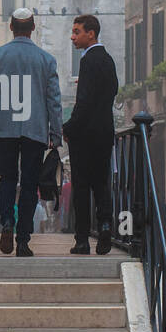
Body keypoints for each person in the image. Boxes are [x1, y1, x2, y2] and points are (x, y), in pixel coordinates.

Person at [0, 8, 62, 257]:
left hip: (5, 127)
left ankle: (7, 221)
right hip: (35, 129)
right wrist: (56, 133)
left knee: (7, 178)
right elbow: (54, 100)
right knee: (29, 184)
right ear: (33, 28)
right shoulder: (46, 60)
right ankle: (24, 239)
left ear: (11, 27)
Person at [63, 14, 118, 255]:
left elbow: (83, 101)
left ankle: (82, 240)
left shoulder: (87, 61)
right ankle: (105, 224)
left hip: (85, 135)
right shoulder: (108, 60)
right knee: (101, 183)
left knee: (82, 187)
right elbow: (112, 92)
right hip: (105, 130)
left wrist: (69, 128)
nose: (73, 36)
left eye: (77, 32)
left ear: (91, 33)